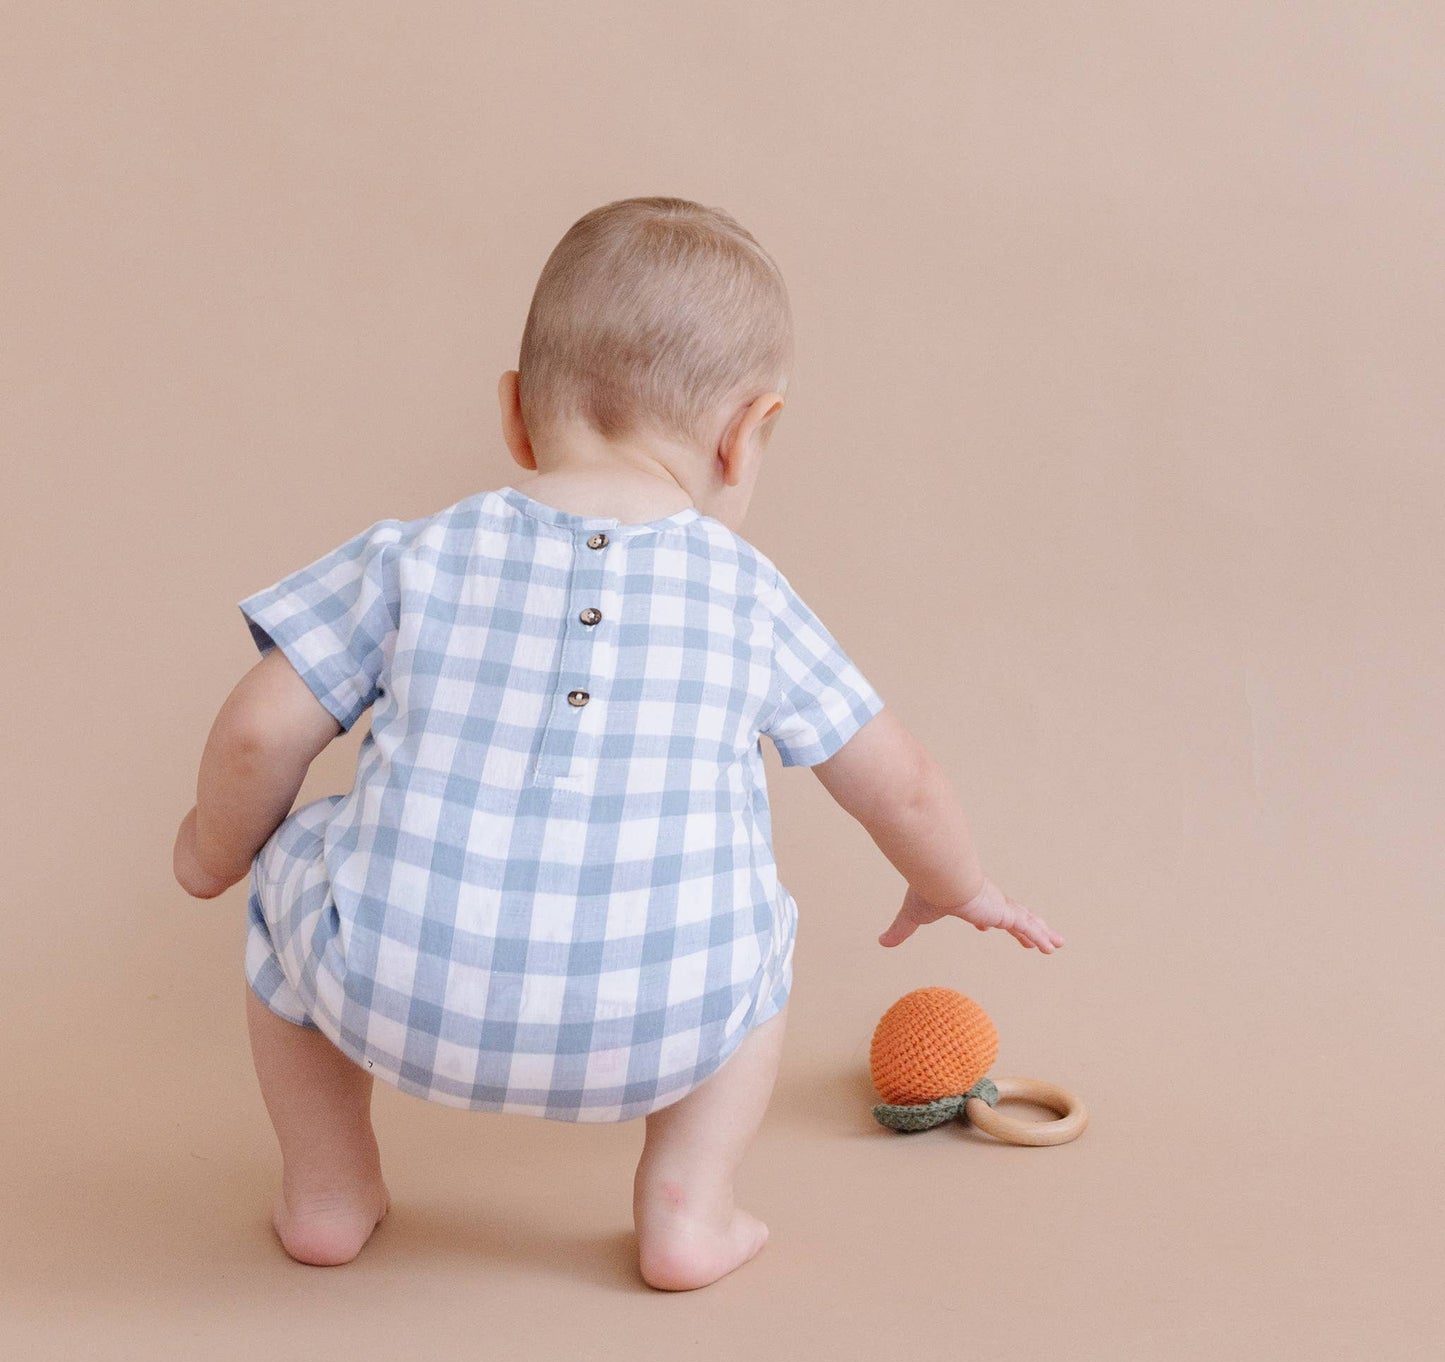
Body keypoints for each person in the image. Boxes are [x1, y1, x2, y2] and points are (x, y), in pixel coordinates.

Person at [172, 196, 1064, 1292]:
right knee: (756, 929)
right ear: (744, 434)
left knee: (289, 869)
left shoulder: (416, 554)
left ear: (513, 413)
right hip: (663, 1020)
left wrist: (214, 854)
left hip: (389, 991)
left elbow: (260, 726)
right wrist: (954, 884)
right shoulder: (750, 595)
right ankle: (688, 1204)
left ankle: (327, 1185)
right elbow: (904, 785)